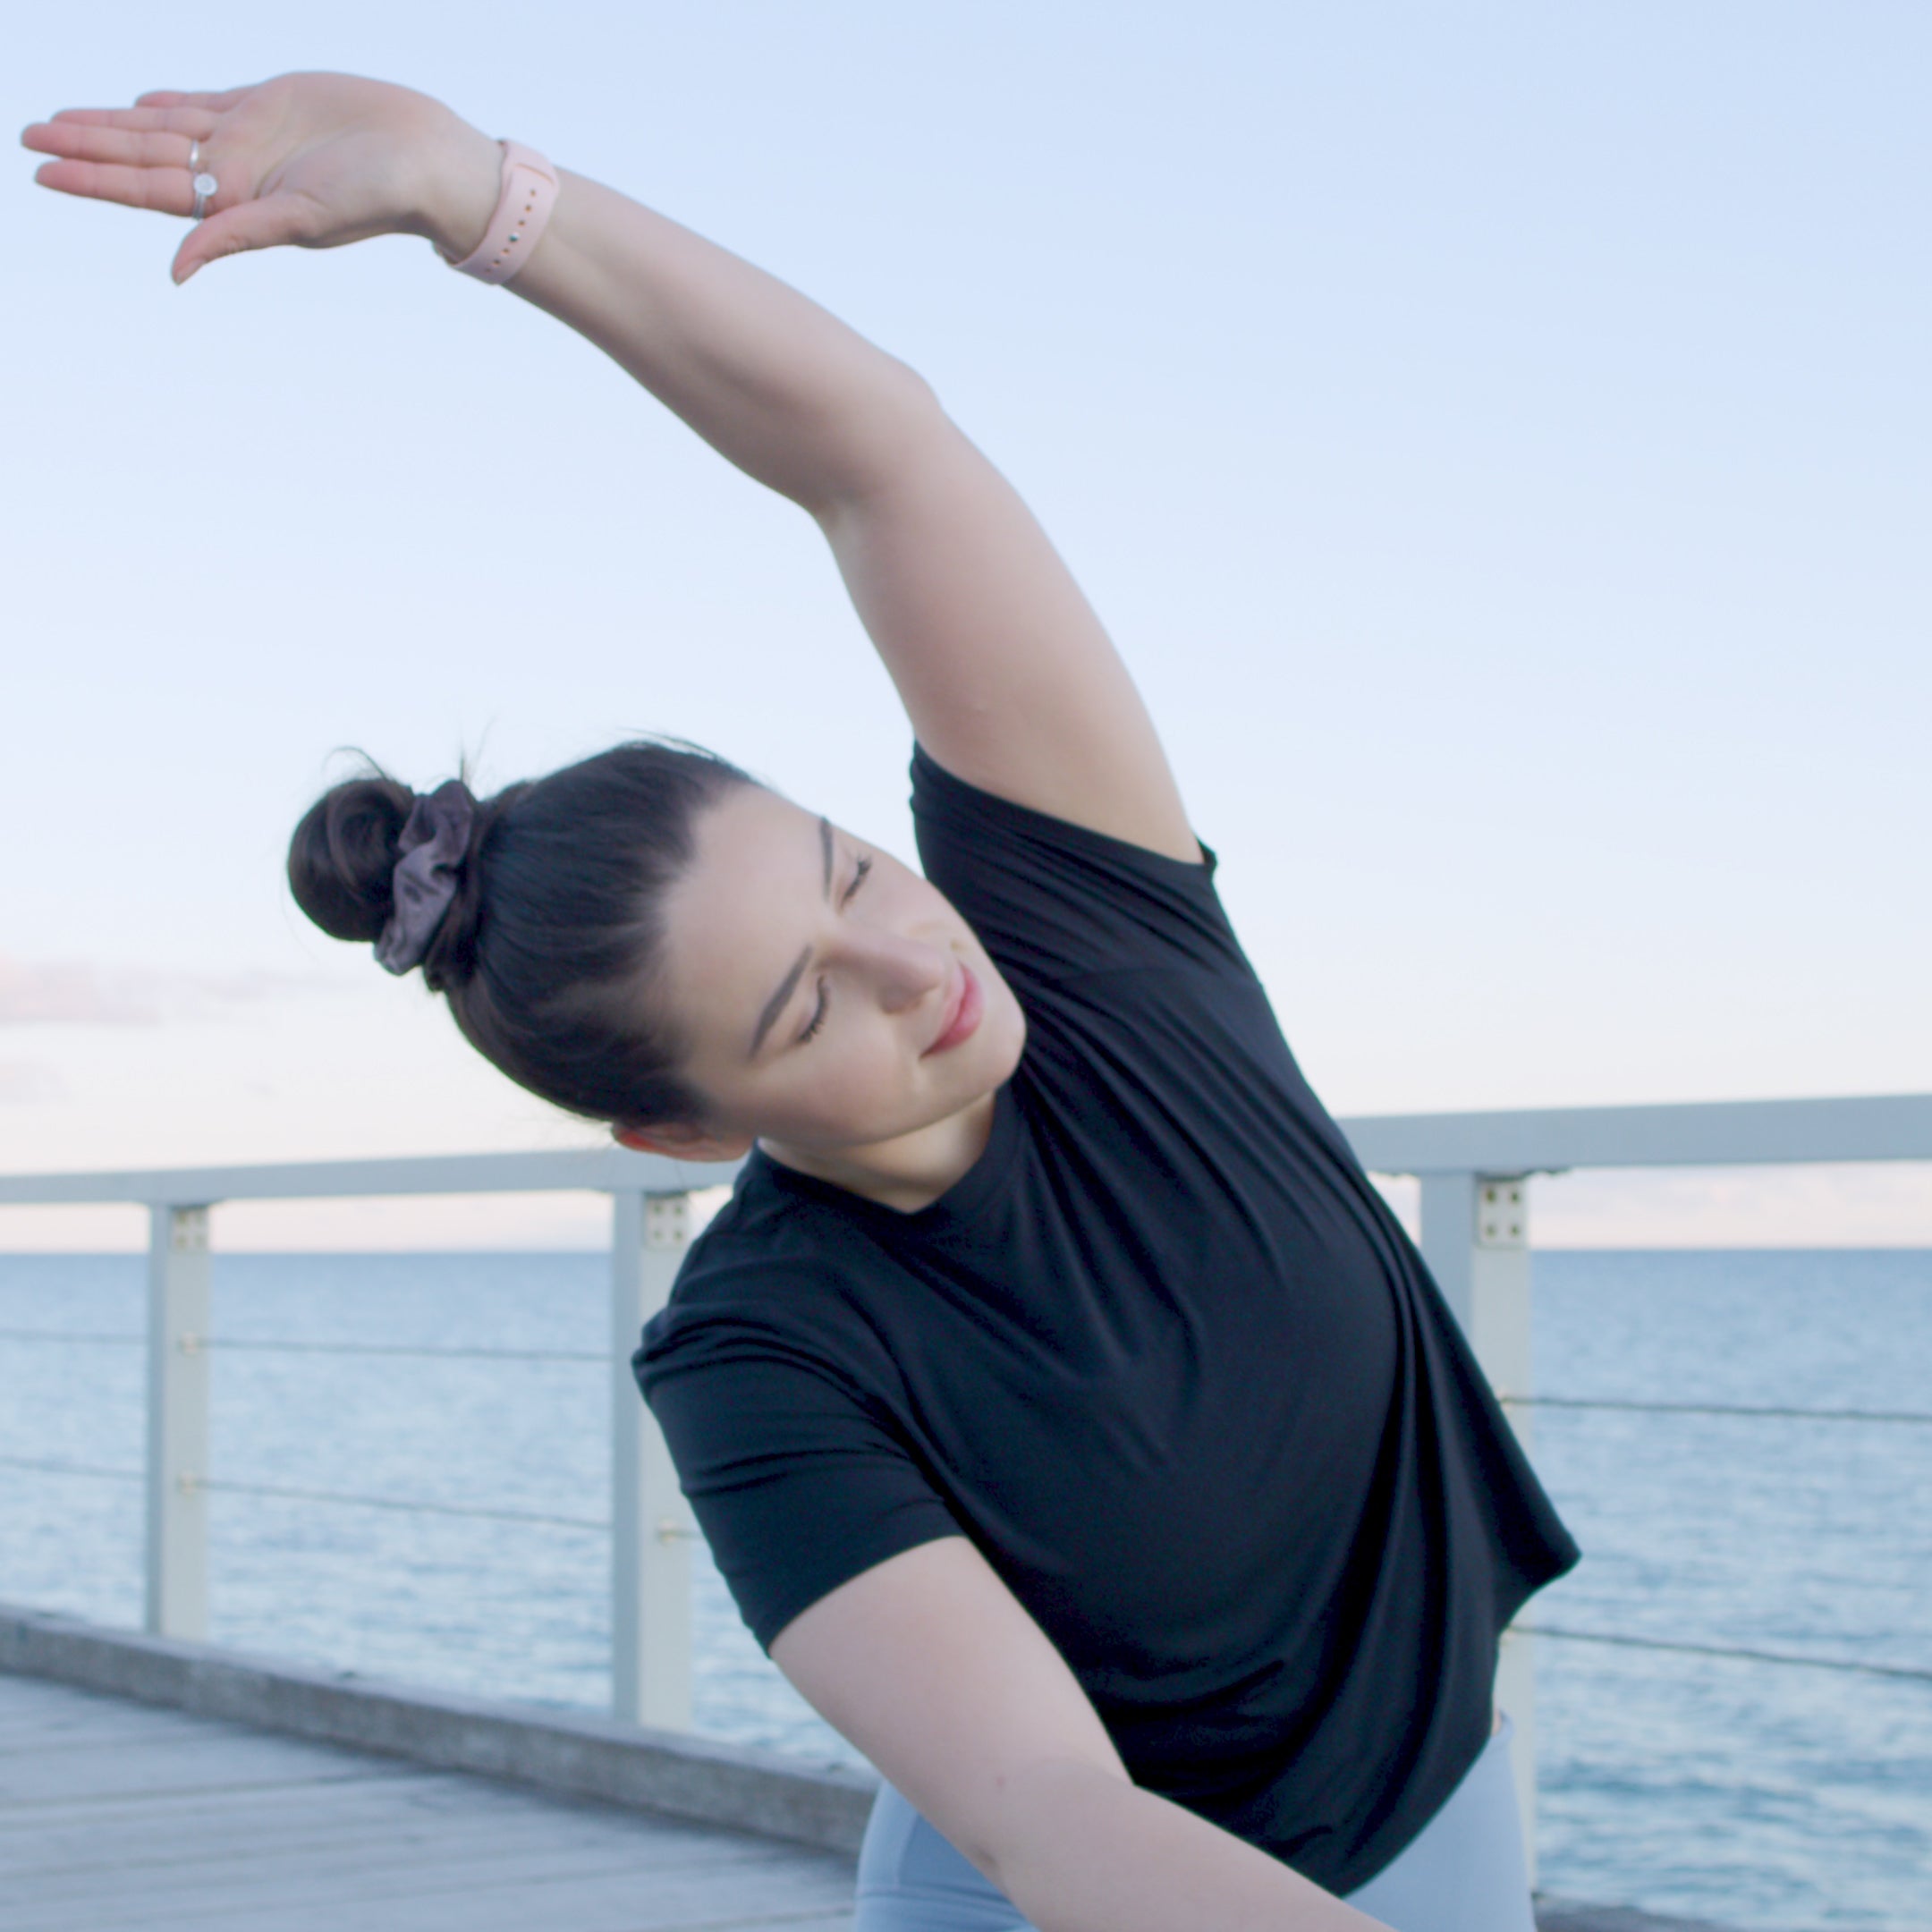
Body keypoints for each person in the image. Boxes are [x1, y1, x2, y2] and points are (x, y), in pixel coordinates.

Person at [25, 71, 1579, 1932]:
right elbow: (1050, 1819)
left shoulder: (1079, 930)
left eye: (854, 872)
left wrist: (478, 198)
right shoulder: (762, 1362)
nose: (921, 966)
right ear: (681, 1130)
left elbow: (880, 461)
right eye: (801, 1011)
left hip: (1441, 1811)